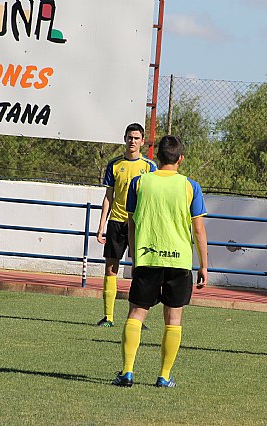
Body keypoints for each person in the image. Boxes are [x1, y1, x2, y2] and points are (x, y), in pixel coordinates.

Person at [111, 135, 208, 388]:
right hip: (179, 260)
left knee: (136, 314)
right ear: (181, 159)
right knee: (173, 319)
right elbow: (198, 230)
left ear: (157, 158)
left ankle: (127, 372)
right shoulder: (190, 186)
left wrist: (133, 254)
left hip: (147, 256)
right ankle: (164, 376)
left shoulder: (139, 182)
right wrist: (204, 265)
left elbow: (131, 222)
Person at [95, 123, 157, 327]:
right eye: (129, 137)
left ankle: (137, 318)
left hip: (139, 224)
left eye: (136, 138)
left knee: (140, 270)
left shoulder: (149, 167)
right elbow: (108, 197)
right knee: (111, 268)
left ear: (142, 141)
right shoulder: (114, 165)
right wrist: (101, 224)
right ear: (125, 138)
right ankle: (108, 317)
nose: (132, 141)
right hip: (116, 222)